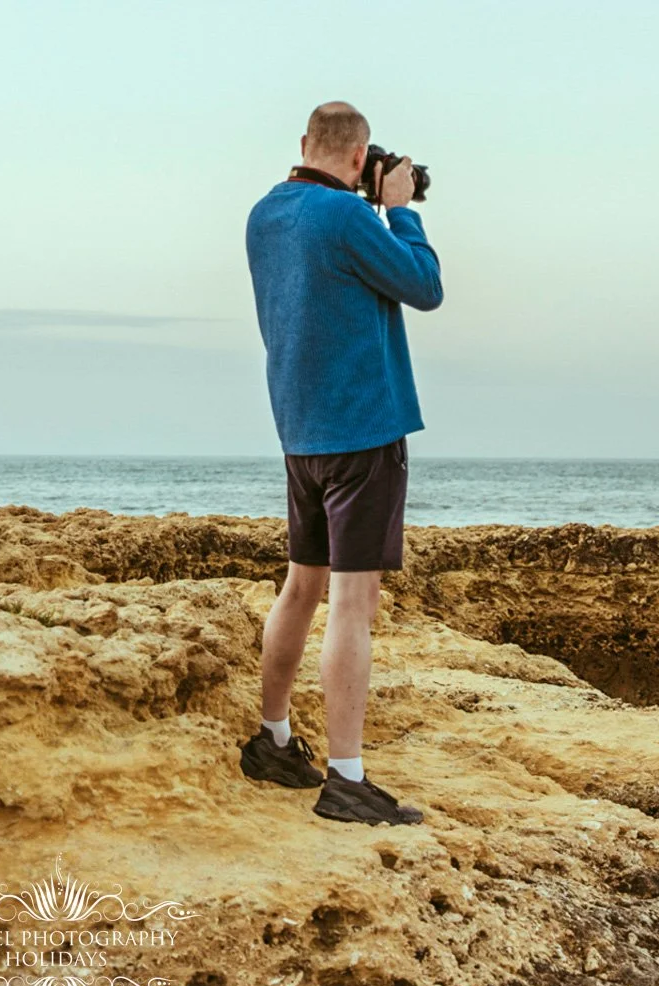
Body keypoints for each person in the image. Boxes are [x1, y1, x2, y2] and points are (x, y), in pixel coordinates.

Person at [240, 101, 443, 825]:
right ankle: (346, 778)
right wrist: (399, 209)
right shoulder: (351, 218)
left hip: (301, 434)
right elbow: (425, 286)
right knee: (353, 606)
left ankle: (273, 738)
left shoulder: (266, 215)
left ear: (303, 145)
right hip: (363, 432)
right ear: (360, 159)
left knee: (301, 586)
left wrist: (368, 199)